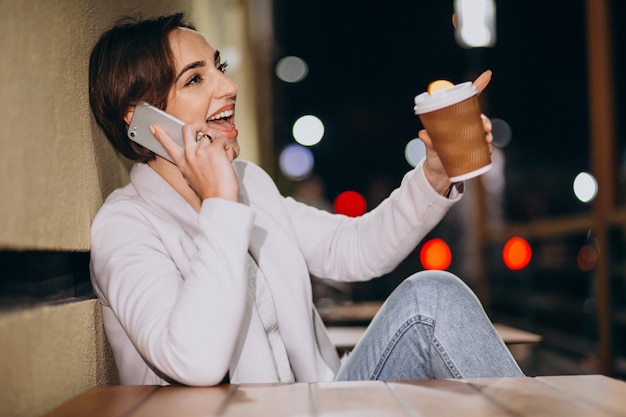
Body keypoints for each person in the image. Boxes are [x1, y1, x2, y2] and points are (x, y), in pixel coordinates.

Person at [88, 12, 523, 386]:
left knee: (433, 296)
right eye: (196, 78)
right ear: (141, 119)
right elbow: (193, 360)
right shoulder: (125, 226)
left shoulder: (250, 183)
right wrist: (219, 203)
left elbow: (353, 250)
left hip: (317, 399)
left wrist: (433, 175)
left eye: (219, 68)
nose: (229, 86)